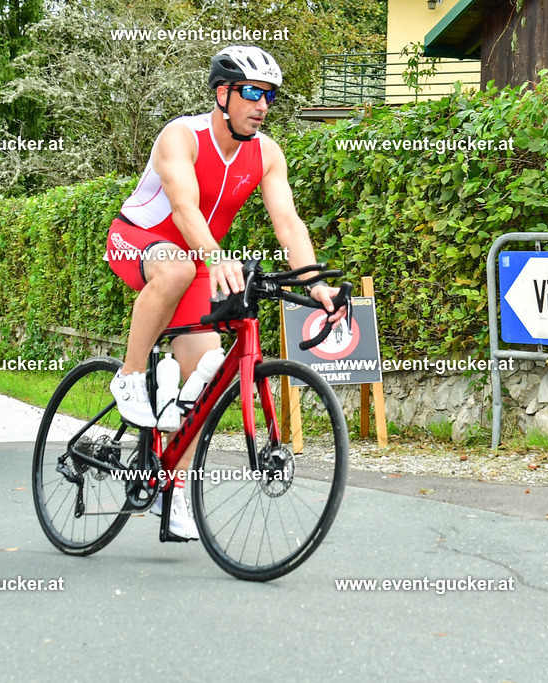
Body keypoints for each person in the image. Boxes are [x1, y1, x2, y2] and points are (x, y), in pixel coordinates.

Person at [105, 45, 345, 539]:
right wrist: (215, 257)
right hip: (138, 241)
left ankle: (173, 488)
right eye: (252, 92)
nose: (262, 105)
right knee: (174, 269)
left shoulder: (267, 154)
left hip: (196, 260)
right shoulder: (181, 136)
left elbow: (288, 223)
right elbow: (184, 209)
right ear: (222, 94)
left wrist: (315, 283)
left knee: (209, 375)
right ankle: (129, 376)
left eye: (269, 96)